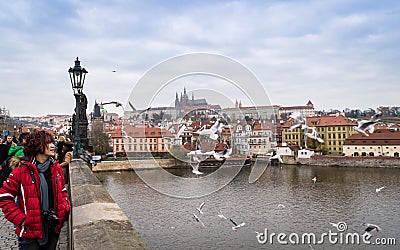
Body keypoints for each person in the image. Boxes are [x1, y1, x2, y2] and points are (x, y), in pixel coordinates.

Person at [0, 130, 70, 250]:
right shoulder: (21, 170)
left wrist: (64, 211)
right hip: (30, 232)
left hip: (52, 227)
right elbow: (5, 198)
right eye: (48, 143)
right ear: (38, 145)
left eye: (53, 142)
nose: (53, 146)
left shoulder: (55, 168)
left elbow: (63, 191)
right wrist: (22, 220)